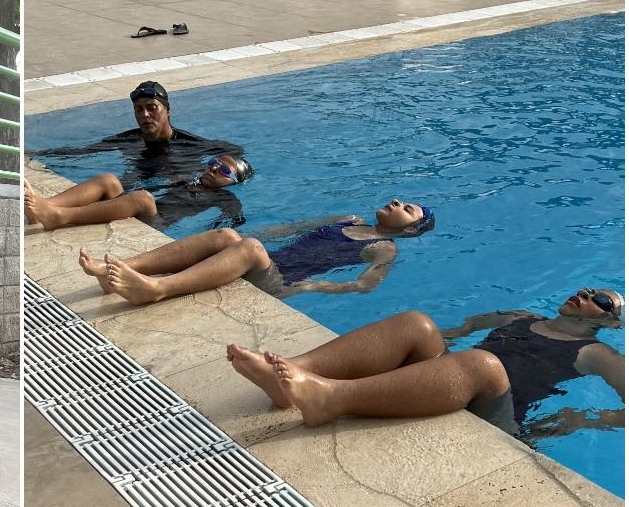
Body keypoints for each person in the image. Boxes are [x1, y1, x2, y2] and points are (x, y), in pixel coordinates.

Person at [227, 288, 625, 438]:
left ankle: (332, 398)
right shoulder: (516, 316)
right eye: (587, 289)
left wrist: (587, 420)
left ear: (610, 321)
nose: (586, 294)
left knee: (484, 363)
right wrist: (409, 348)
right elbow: (447, 337)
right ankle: (290, 372)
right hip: (460, 380)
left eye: (601, 301)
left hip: (498, 413)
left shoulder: (594, 353)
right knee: (416, 322)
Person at [81, 199, 435, 305]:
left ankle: (156, 288)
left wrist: (310, 288)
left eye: (410, 208)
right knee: (226, 235)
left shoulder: (384, 247)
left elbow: (364, 286)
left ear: (411, 228)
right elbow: (287, 230)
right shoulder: (349, 217)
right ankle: (120, 270)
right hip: (270, 261)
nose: (398, 202)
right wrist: (238, 240)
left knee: (249, 249)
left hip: (281, 280)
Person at [25, 80, 251, 231]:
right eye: (139, 109)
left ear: (167, 110)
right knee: (109, 180)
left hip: (153, 218)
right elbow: (83, 151)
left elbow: (235, 219)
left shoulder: (195, 150)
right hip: (140, 203)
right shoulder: (129, 139)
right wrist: (34, 155)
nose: (145, 115)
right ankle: (44, 206)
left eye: (152, 107)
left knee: (142, 197)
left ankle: (59, 216)